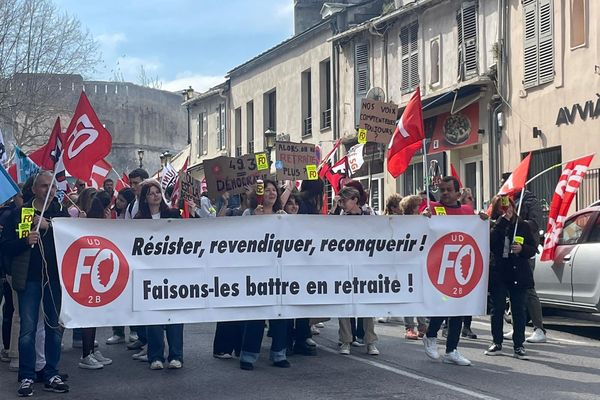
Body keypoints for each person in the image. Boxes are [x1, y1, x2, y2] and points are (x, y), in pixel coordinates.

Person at [0, 171, 69, 396]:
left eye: (52, 186)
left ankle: (51, 373)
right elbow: (6, 245)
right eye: (43, 186)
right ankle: (27, 375)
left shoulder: (61, 213)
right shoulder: (21, 213)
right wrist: (24, 241)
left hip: (54, 280)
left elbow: (74, 240)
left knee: (53, 328)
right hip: (29, 278)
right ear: (34, 189)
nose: (49, 191)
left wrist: (49, 226)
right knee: (27, 330)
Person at [421, 176, 488, 366]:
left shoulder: (467, 211)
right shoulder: (432, 208)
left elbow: (477, 231)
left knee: (460, 308)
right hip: (437, 266)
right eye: (442, 189)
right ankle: (431, 335)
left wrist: (482, 220)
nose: (445, 193)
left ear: (458, 193)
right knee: (442, 304)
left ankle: (452, 350)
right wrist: (423, 219)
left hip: (460, 265)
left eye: (449, 189)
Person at [239, 180, 291, 370]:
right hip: (257, 273)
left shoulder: (282, 215)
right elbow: (240, 238)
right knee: (256, 315)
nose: (271, 193)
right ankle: (248, 355)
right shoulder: (249, 213)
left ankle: (279, 354)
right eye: (267, 190)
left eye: (274, 190)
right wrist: (256, 219)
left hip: (278, 272)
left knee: (280, 315)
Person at [135, 179, 184, 370]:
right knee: (153, 316)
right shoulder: (139, 220)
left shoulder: (172, 214)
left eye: (157, 192)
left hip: (173, 272)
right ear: (145, 198)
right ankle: (155, 355)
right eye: (151, 193)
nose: (155, 195)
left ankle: (176, 355)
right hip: (150, 274)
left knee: (175, 316)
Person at [486, 195, 536, 359]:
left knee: (518, 310)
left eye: (509, 207)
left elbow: (532, 248)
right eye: (502, 208)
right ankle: (497, 342)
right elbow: (490, 243)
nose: (506, 211)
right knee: (498, 308)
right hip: (499, 271)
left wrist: (522, 249)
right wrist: (501, 223)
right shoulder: (495, 225)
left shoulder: (522, 225)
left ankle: (519, 344)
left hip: (518, 271)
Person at [499, 172, 547, 344]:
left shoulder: (529, 201)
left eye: (507, 184)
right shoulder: (506, 200)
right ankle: (517, 325)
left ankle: (539, 328)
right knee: (513, 288)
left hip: (524, 251)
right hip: (508, 251)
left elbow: (536, 223)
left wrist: (517, 222)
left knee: (527, 289)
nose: (505, 189)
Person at [336, 186, 379, 356]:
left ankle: (371, 341)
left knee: (367, 305)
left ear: (354, 200)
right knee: (345, 304)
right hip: (345, 265)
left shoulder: (370, 215)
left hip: (365, 266)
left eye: (344, 200)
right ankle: (345, 340)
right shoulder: (340, 217)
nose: (342, 204)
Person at [78, 191, 113, 370]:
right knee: (89, 317)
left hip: (93, 276)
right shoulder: (90, 224)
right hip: (88, 276)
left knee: (94, 317)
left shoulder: (93, 221)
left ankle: (90, 350)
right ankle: (86, 354)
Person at [396, 195, 429, 340]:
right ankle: (409, 327)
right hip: (405, 263)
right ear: (412, 208)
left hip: (419, 263)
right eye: (417, 206)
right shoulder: (401, 223)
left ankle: (422, 325)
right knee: (409, 296)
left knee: (420, 295)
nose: (419, 208)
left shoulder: (421, 220)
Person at [124, 168, 149, 354]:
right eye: (131, 183)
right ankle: (142, 338)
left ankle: (151, 343)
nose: (133, 187)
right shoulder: (132, 205)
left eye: (137, 183)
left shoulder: (154, 204)